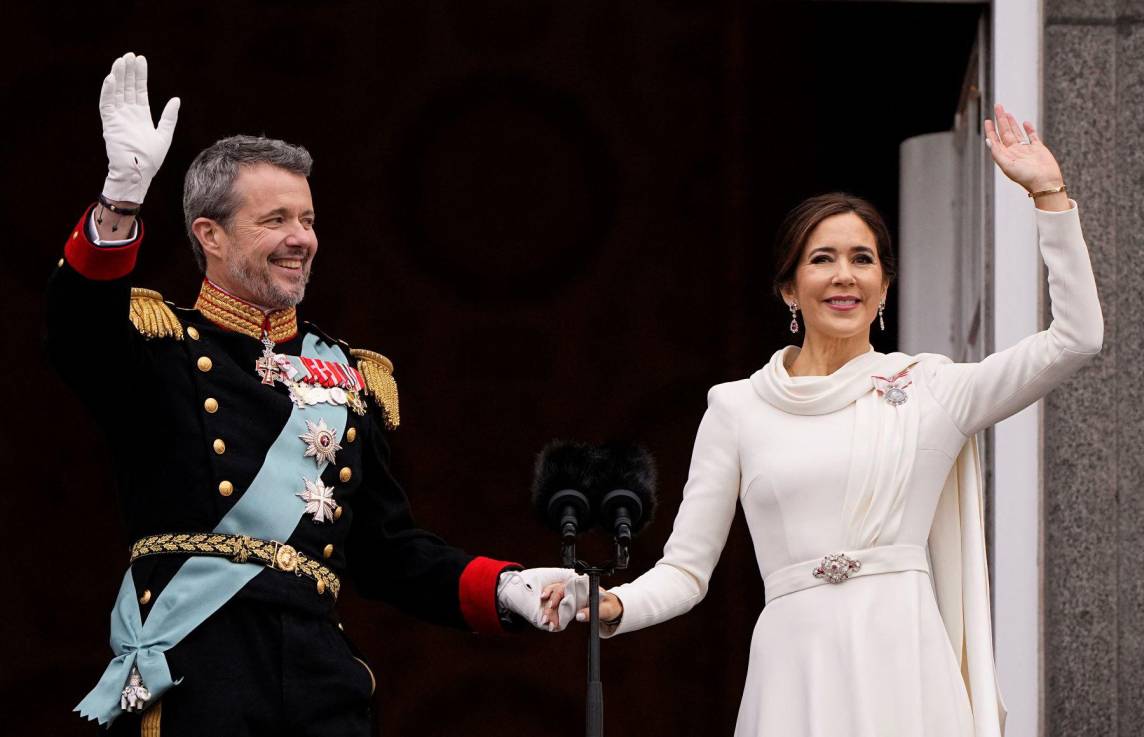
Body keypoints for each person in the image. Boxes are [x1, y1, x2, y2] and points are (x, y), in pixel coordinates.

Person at [48, 52, 576, 736]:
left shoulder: (347, 376)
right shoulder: (160, 348)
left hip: (320, 685)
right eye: (275, 221)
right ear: (209, 234)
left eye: (308, 218)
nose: (302, 239)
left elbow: (388, 551)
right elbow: (76, 333)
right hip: (197, 675)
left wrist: (505, 586)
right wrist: (121, 201)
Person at [543, 104, 1102, 736]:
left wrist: (1049, 196)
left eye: (863, 260)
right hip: (795, 669)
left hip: (904, 663)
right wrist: (614, 602)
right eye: (822, 259)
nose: (845, 276)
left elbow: (1076, 339)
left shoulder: (933, 389)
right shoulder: (737, 408)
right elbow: (686, 571)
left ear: (885, 287)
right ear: (788, 287)